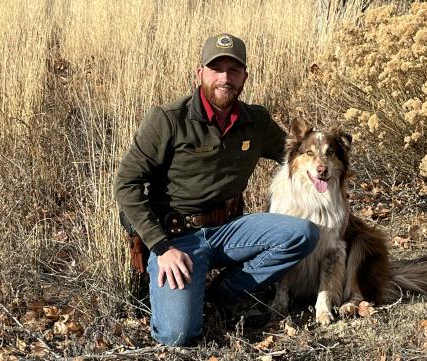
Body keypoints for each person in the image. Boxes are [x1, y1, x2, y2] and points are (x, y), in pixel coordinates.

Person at [114, 33, 319, 346]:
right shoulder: (168, 120)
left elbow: (295, 155)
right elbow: (126, 184)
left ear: (244, 76)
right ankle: (182, 295)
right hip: (176, 239)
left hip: (230, 230)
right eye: (216, 69)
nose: (225, 78)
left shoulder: (256, 121)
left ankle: (222, 293)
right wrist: (161, 248)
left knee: (303, 233)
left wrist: (325, 160)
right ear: (200, 73)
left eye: (234, 70)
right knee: (178, 335)